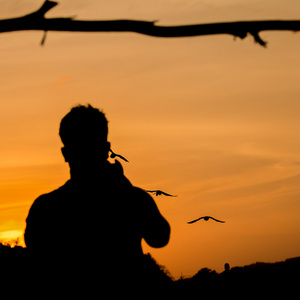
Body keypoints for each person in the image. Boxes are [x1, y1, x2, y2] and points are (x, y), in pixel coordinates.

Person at [24, 104, 170, 293]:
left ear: (65, 154)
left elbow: (38, 267)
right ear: (107, 148)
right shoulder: (133, 199)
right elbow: (159, 238)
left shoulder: (46, 207)